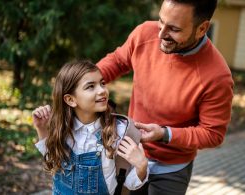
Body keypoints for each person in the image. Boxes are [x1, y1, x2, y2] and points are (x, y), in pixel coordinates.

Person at [96, 0, 234, 194]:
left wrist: (165, 134)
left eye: (174, 29)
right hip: (130, 156)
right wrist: (83, 82)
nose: (160, 34)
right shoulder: (144, 33)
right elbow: (118, 61)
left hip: (171, 171)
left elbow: (213, 134)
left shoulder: (217, 76)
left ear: (202, 28)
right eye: (161, 21)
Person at [32, 60, 149, 195]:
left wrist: (141, 167)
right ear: (70, 100)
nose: (102, 90)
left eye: (102, 83)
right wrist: (41, 129)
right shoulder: (61, 127)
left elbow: (128, 184)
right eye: (90, 86)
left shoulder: (119, 131)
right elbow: (53, 160)